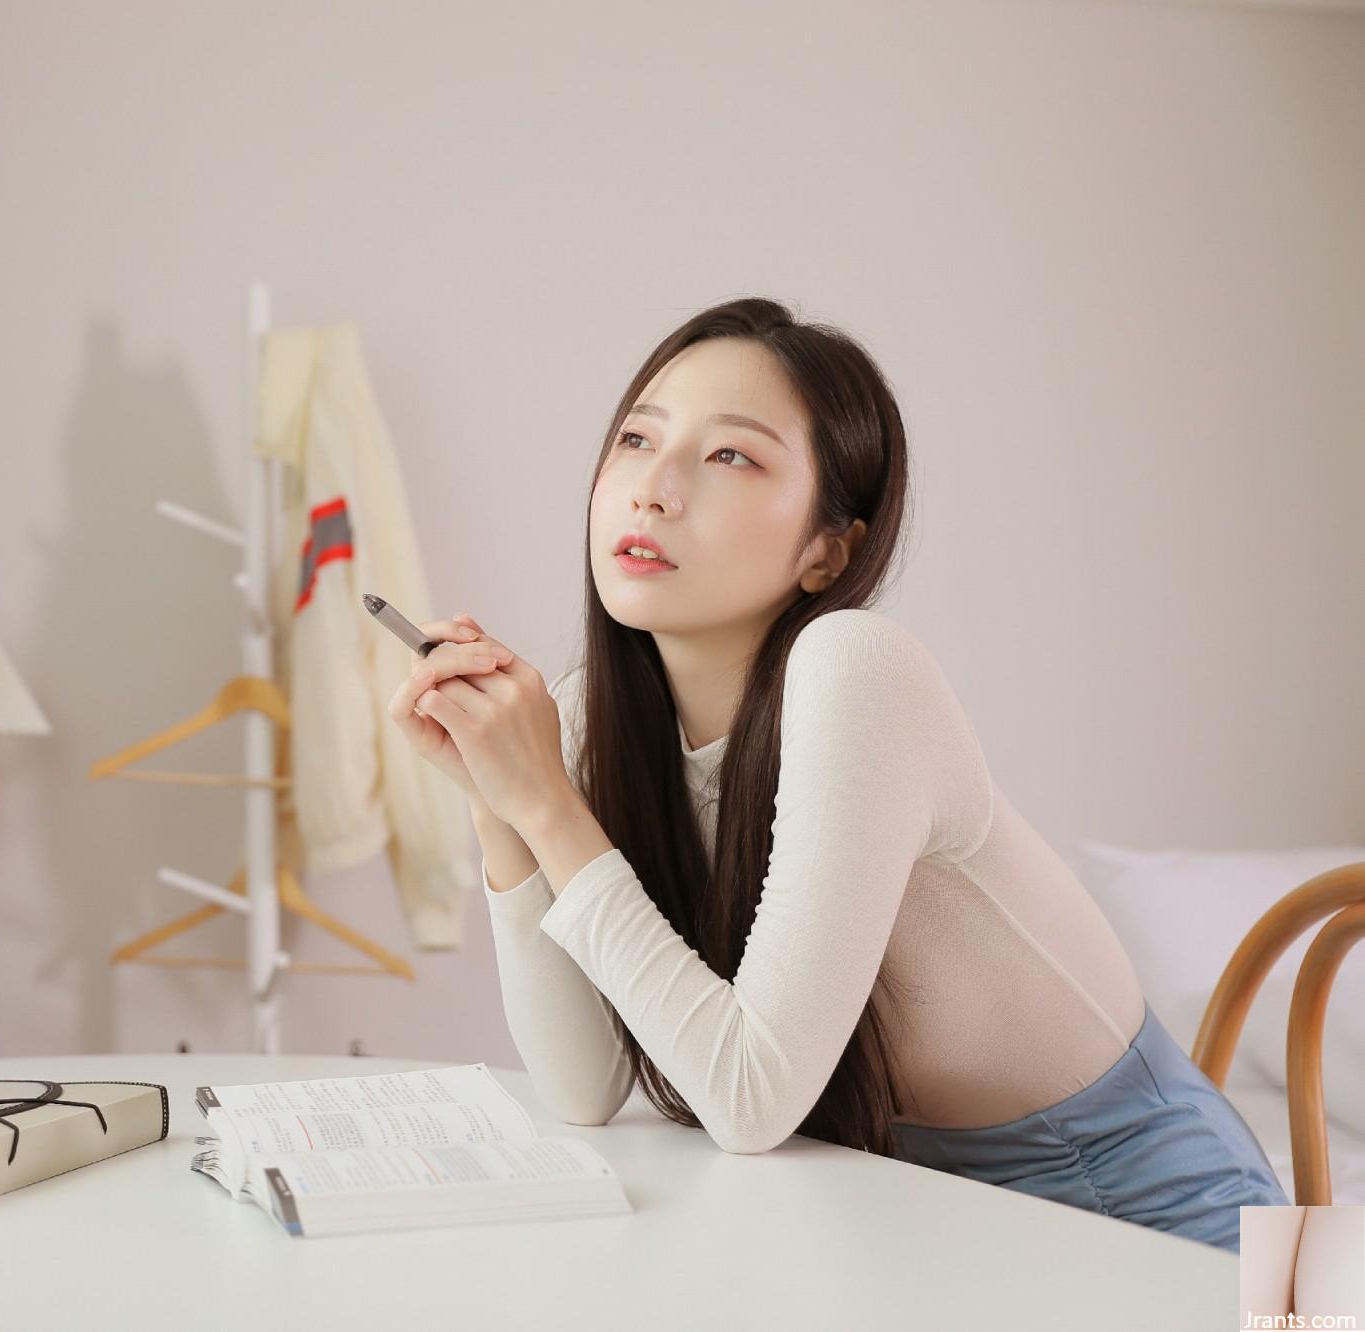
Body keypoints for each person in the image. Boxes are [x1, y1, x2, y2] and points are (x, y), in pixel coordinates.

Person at [385, 295, 1288, 1253]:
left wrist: (544, 803)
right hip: (921, 1217)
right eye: (636, 438)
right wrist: (501, 811)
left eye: (729, 454)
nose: (652, 487)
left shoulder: (858, 669)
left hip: (1155, 1216)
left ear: (828, 548)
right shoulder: (580, 720)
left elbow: (748, 1099)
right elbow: (580, 1091)